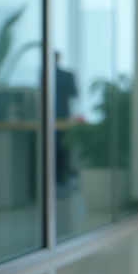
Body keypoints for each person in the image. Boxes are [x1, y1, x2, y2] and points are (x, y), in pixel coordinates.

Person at [55, 52, 78, 183]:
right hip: (63, 115)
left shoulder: (44, 74)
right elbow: (74, 94)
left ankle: (58, 178)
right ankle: (62, 178)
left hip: (59, 117)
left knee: (58, 146)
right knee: (62, 147)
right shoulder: (67, 75)